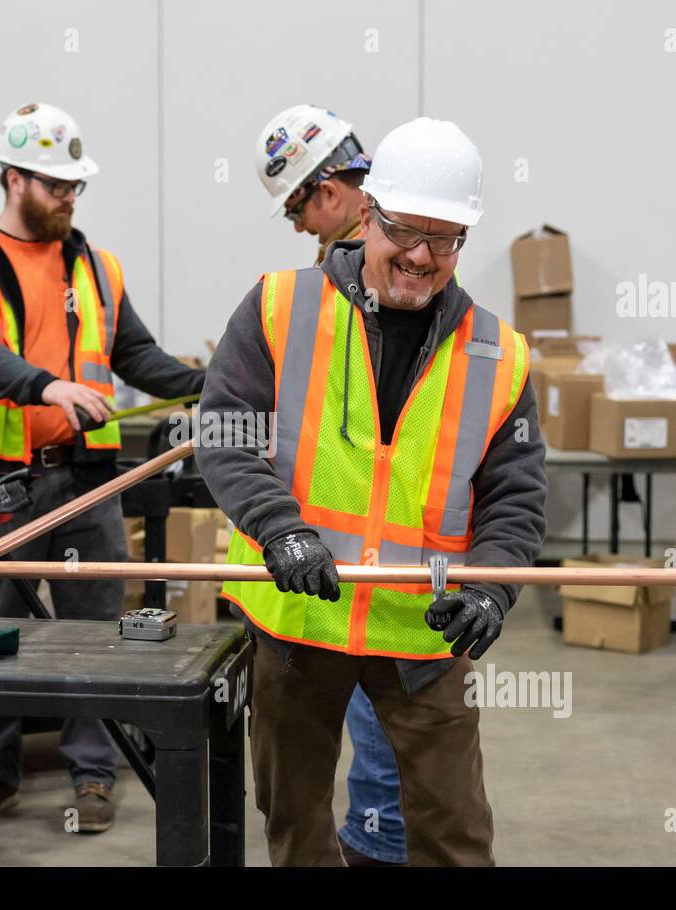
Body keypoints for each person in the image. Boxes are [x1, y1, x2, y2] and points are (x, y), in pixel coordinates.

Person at [199, 118, 548, 866]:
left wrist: (490, 591)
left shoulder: (500, 355)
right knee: (296, 825)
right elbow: (226, 437)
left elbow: (516, 497)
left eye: (447, 239)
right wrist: (279, 528)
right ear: (371, 214)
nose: (423, 257)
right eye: (406, 232)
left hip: (424, 634)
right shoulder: (277, 307)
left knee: (456, 831)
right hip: (299, 623)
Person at [0, 103, 205, 834]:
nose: (69, 197)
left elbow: (135, 356)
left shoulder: (98, 266)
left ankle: (95, 773)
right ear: (11, 178)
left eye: (75, 186)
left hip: (88, 478)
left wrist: (212, 381)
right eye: (54, 185)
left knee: (93, 628)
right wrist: (47, 386)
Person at [257, 104, 409, 866]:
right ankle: (373, 840)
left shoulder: (364, 277)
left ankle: (374, 848)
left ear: (328, 187)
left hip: (365, 555)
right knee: (373, 726)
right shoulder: (383, 262)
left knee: (377, 731)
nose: (294, 226)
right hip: (351, 552)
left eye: (296, 207)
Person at [256, 104, 372, 265]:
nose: (299, 228)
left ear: (329, 193)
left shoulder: (353, 268)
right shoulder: (402, 237)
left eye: (296, 213)